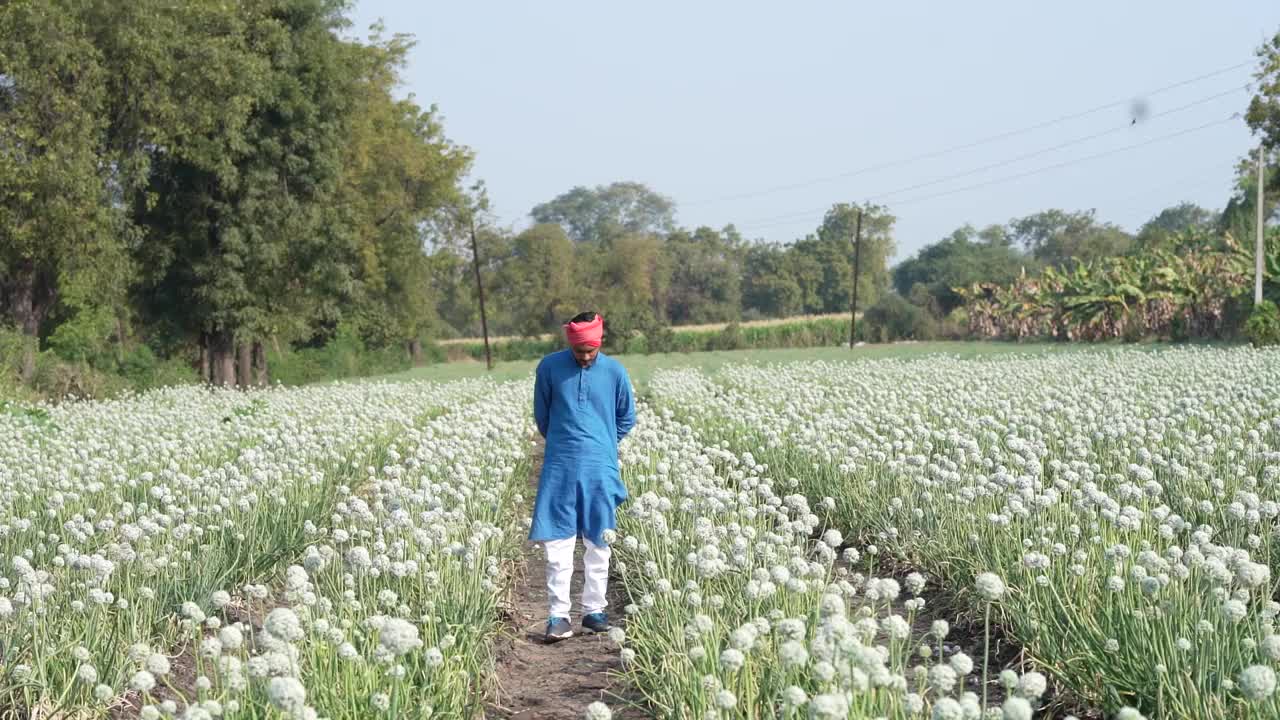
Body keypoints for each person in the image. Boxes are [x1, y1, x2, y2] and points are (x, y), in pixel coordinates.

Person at [530, 311, 636, 642]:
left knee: (599, 541)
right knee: (558, 544)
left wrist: (601, 443)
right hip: (560, 467)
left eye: (591, 351)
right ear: (570, 344)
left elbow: (626, 417)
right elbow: (542, 416)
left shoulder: (615, 372)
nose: (586, 357)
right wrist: (567, 442)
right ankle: (558, 617)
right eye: (580, 352)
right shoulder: (548, 368)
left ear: (600, 342)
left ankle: (594, 612)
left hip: (600, 470)